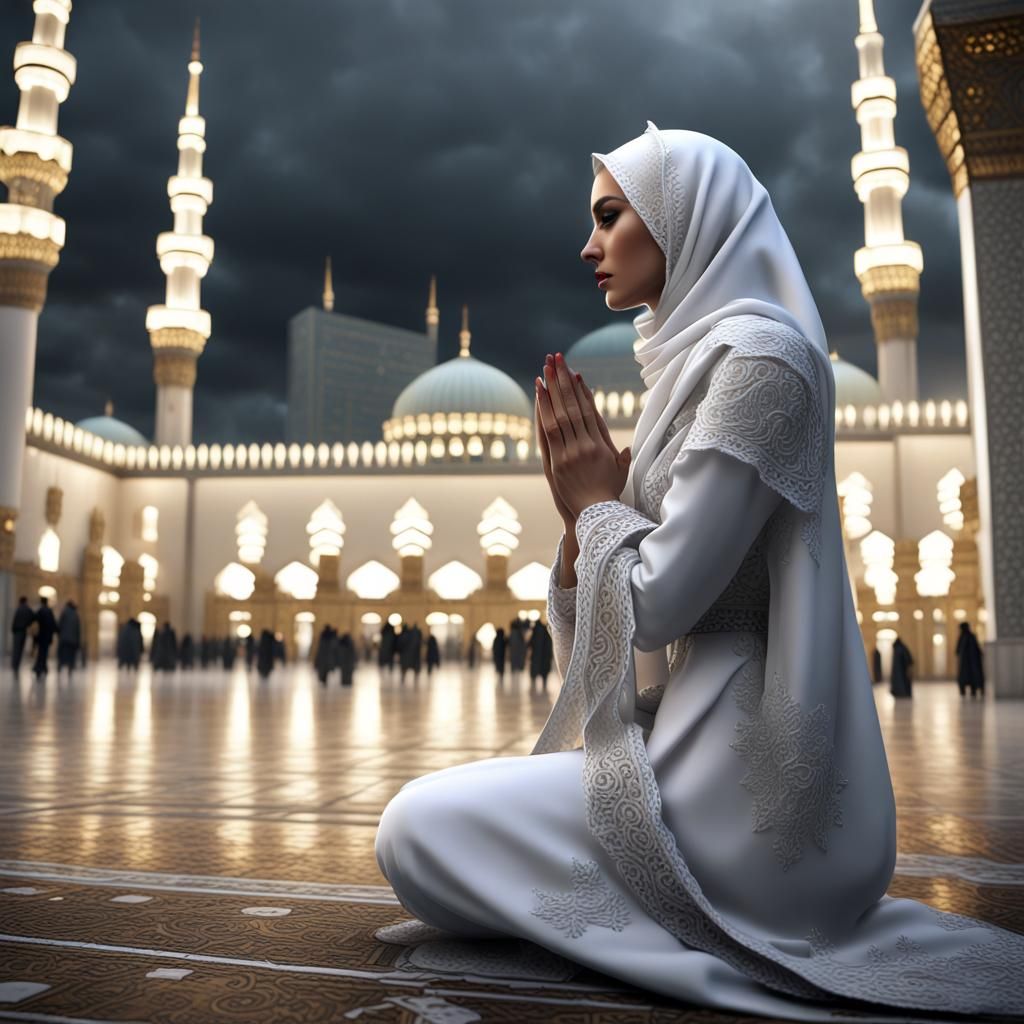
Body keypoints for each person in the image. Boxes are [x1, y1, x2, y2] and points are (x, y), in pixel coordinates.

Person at [375, 125, 1024, 1019]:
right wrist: (583, 516)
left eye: (610, 217)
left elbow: (658, 605)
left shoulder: (762, 363)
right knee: (419, 836)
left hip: (747, 801)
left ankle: (681, 916)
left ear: (684, 219)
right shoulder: (693, 363)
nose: (589, 245)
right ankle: (625, 909)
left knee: (417, 830)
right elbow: (617, 619)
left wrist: (598, 502)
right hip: (677, 738)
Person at [956, 622, 985, 698]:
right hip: (971, 662)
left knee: (968, 677)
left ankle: (971, 691)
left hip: (968, 662)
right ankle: (972, 690)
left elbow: (958, 650)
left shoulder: (964, 637)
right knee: (972, 677)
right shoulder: (969, 636)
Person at [32, 596, 56, 679]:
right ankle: (43, 668)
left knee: (40, 652)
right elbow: (53, 624)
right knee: (44, 652)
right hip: (47, 636)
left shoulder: (40, 611)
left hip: (40, 636)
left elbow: (34, 621)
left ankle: (39, 668)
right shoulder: (49, 611)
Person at [9, 596, 34, 672]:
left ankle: (14, 665)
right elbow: (32, 617)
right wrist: (28, 624)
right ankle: (17, 665)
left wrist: (13, 630)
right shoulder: (27, 609)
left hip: (17, 631)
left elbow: (15, 620)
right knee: (20, 649)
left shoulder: (19, 609)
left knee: (16, 649)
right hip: (23, 631)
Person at [56, 599, 81, 675]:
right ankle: (70, 667)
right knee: (71, 655)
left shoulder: (64, 612)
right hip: (73, 639)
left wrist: (59, 634)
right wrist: (78, 640)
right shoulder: (76, 614)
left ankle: (60, 666)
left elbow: (59, 625)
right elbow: (78, 629)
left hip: (63, 638)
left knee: (62, 653)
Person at [527, 619, 553, 688]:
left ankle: (533, 687)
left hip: (536, 656)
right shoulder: (546, 632)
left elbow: (529, 644)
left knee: (534, 673)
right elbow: (549, 645)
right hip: (545, 657)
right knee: (544, 673)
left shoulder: (535, 632)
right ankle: (544, 686)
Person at [889, 635, 913, 699]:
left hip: (901, 670)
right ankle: (902, 692)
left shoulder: (898, 649)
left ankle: (901, 692)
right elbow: (909, 659)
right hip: (902, 670)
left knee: (902, 681)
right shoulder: (902, 648)